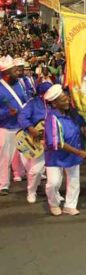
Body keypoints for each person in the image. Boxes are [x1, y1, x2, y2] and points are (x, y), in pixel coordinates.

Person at [43, 84, 86, 216]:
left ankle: (70, 205)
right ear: (55, 103)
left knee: (74, 180)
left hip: (72, 155)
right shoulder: (52, 118)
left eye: (67, 98)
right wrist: (79, 152)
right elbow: (57, 142)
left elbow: (82, 122)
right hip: (56, 156)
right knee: (53, 183)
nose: (67, 101)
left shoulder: (71, 113)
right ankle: (53, 203)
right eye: (63, 100)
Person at [18, 82, 52, 203]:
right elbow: (22, 117)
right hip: (37, 141)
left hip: (53, 141)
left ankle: (55, 194)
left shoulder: (56, 103)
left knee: (56, 171)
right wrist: (30, 128)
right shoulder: (33, 104)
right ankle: (31, 192)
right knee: (35, 170)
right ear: (42, 94)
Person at [0, 56, 26, 195]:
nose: (17, 71)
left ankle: (27, 177)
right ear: (6, 73)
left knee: (28, 155)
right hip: (5, 127)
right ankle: (3, 184)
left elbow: (24, 100)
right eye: (14, 70)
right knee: (4, 158)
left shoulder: (19, 84)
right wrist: (7, 113)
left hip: (21, 125)